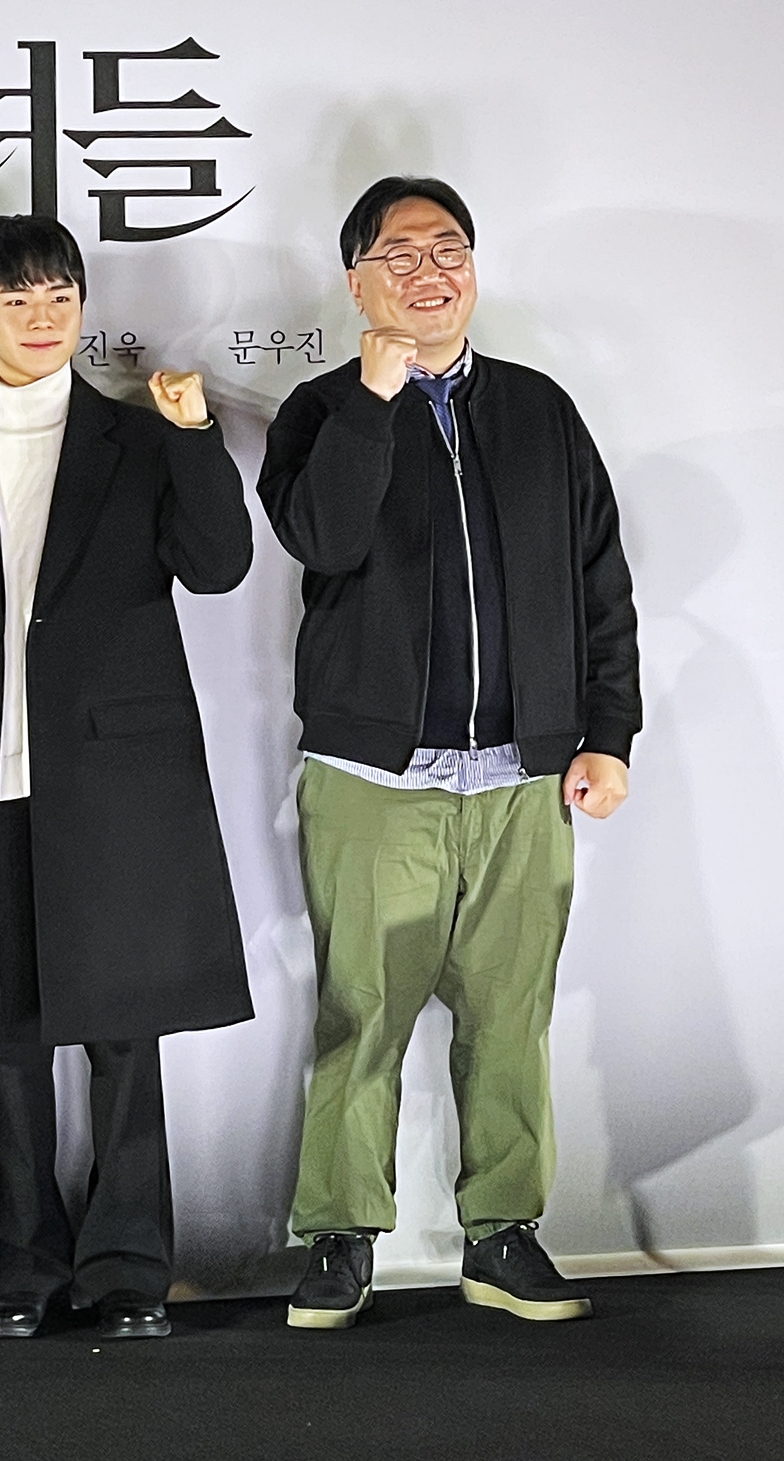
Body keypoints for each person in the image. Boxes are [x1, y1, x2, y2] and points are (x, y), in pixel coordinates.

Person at [259, 176, 640, 1329]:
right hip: (375, 778)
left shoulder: (537, 409)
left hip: (522, 779)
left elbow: (599, 583)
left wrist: (605, 735)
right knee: (358, 1015)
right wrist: (375, 401)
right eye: (401, 254)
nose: (430, 271)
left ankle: (501, 1235)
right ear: (355, 280)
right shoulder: (322, 411)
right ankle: (336, 1239)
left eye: (449, 249)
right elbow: (317, 538)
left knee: (509, 1016)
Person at [0, 214, 253, 1343]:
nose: (41, 316)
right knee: (5, 1041)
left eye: (58, 295)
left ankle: (128, 1271)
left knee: (119, 1034)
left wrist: (193, 434)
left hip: (114, 783)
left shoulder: (141, 441)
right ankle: (17, 1273)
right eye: (16, 300)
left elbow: (220, 565)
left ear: (81, 305)